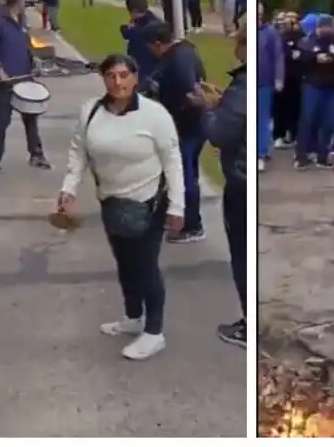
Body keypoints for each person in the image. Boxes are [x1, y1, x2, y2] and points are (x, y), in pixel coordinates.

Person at [57, 53, 185, 360]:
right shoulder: (90, 112)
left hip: (148, 201)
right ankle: (132, 318)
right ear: (103, 79)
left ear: (135, 78)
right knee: (124, 262)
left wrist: (178, 207)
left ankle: (154, 333)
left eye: (124, 75)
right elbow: (79, 153)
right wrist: (68, 189)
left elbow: (173, 160)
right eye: (112, 76)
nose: (118, 82)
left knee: (145, 265)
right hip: (111, 200)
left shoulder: (154, 115)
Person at [146, 23, 209, 244]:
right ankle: (176, 217)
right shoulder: (186, 50)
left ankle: (192, 224)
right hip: (194, 125)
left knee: (184, 176)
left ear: (157, 44)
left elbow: (190, 89)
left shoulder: (178, 59)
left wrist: (178, 106)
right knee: (185, 172)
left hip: (186, 126)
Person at [205, 29, 248, 347]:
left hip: (241, 181)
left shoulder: (243, 86)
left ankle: (249, 324)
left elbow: (220, 134)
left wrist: (208, 109)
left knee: (242, 255)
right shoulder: (244, 87)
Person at [0, 0, 49, 174]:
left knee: (30, 117)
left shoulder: (21, 22)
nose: (25, 3)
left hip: (25, 77)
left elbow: (25, 45)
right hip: (6, 81)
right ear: (16, 1)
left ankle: (36, 154)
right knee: (2, 120)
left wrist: (33, 60)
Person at [297, 15, 334, 170]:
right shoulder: (308, 41)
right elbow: (300, 57)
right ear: (318, 27)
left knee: (329, 122)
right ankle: (302, 156)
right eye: (323, 27)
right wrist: (315, 57)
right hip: (313, 85)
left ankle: (323, 156)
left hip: (332, 87)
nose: (326, 30)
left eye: (328, 27)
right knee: (308, 119)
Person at [255, 4, 284, 173]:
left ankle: (260, 154)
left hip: (265, 83)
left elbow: (278, 57)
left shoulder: (270, 33)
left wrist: (278, 78)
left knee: (263, 119)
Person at [121, 0, 164, 90]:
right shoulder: (153, 20)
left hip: (144, 70)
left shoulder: (140, 29)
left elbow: (127, 33)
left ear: (134, 11)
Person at [274, 15, 304, 148]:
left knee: (295, 108)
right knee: (280, 108)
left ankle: (293, 134)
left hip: (296, 78)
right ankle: (278, 135)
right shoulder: (279, 37)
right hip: (283, 77)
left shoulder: (302, 37)